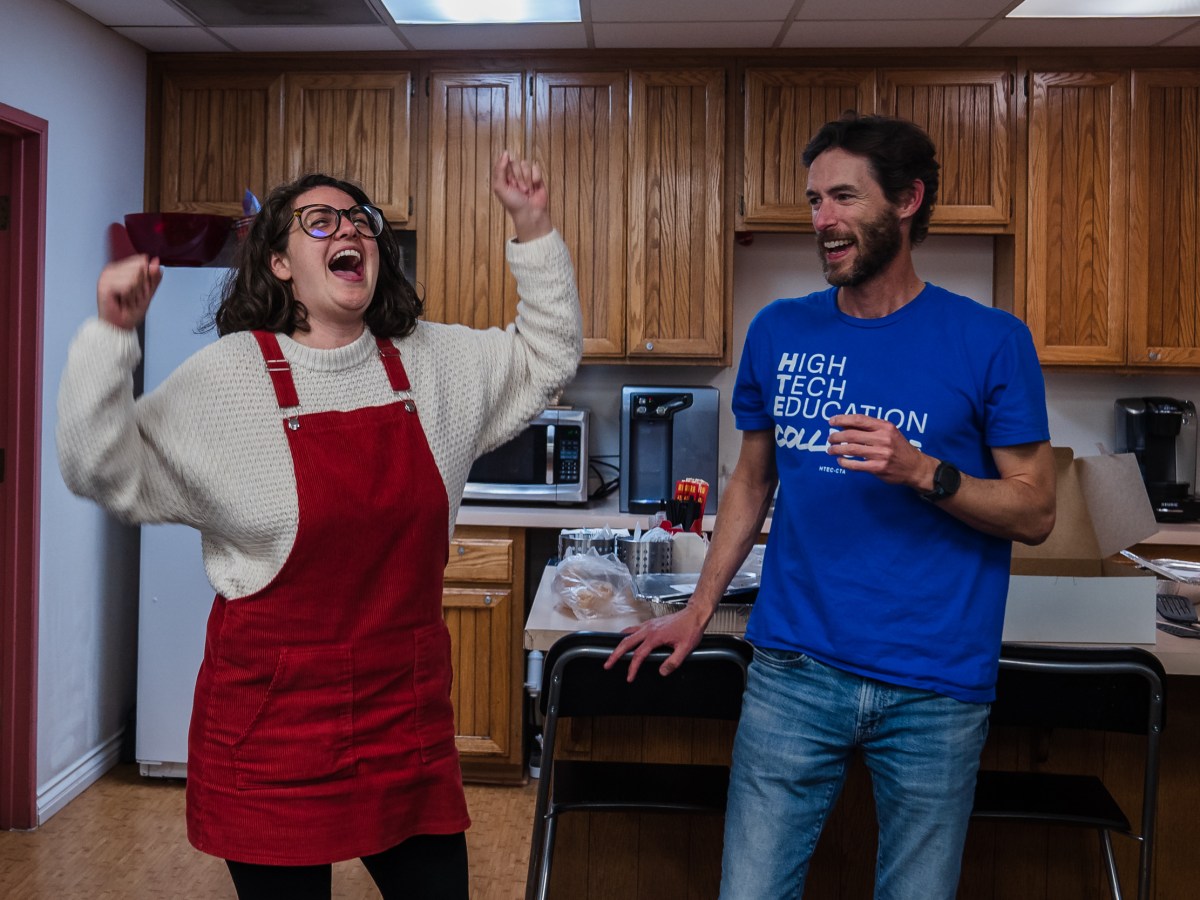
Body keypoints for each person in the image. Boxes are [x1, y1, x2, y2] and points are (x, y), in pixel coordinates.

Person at [57, 152, 582, 900]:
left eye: (361, 220)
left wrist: (532, 226)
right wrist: (110, 337)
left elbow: (547, 354)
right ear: (279, 262)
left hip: (405, 724)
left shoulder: (433, 365)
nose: (351, 231)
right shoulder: (227, 379)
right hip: (273, 732)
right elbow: (97, 467)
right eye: (321, 220)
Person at [607, 114, 1056, 899]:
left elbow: (1035, 510)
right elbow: (753, 480)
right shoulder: (780, 331)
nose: (822, 220)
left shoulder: (990, 340)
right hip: (793, 670)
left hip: (936, 685)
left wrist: (925, 473)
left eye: (843, 197)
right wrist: (699, 606)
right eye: (814, 200)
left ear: (908, 200)